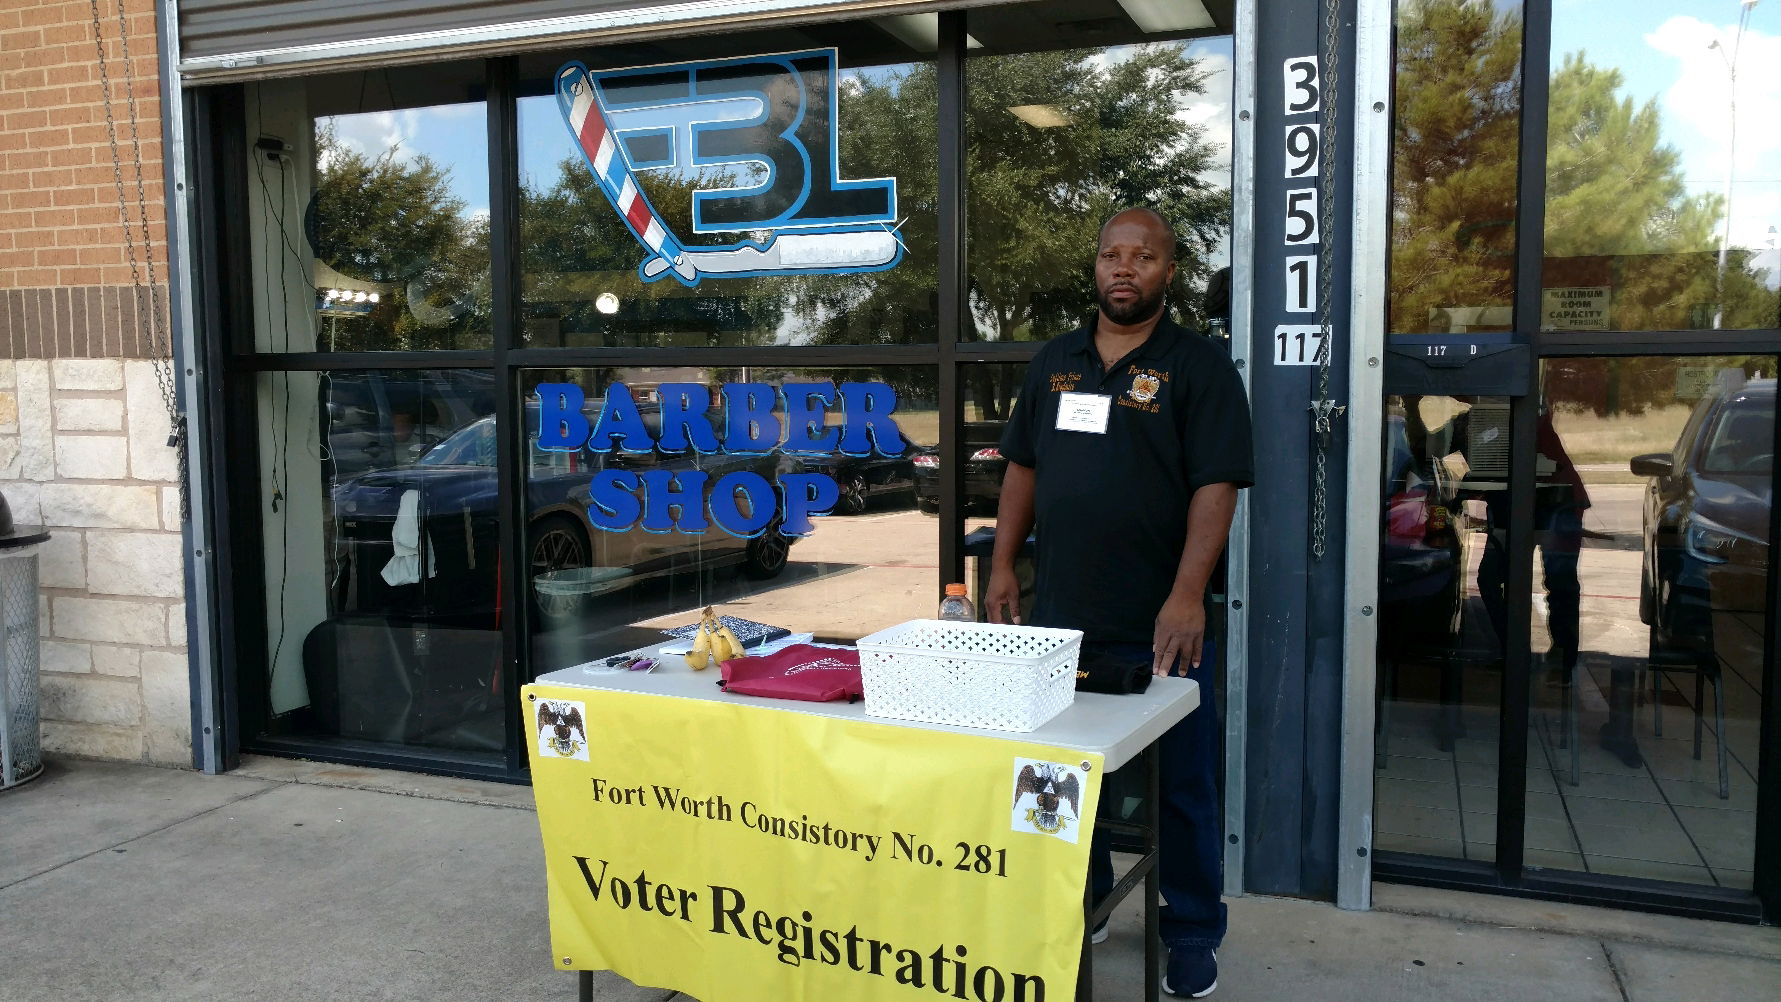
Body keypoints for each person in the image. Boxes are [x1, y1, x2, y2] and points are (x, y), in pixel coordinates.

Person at [984, 207, 1253, 998]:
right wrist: (1004, 564)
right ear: (1094, 268)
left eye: (1142, 256)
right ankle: (1089, 899)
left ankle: (1194, 929)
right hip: (1060, 622)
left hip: (1162, 627)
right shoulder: (1055, 360)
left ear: (1169, 272)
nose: (1123, 268)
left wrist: (1185, 596)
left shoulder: (1197, 366)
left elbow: (1217, 485)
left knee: (1180, 788)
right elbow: (1022, 469)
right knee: (1067, 780)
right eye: (1110, 255)